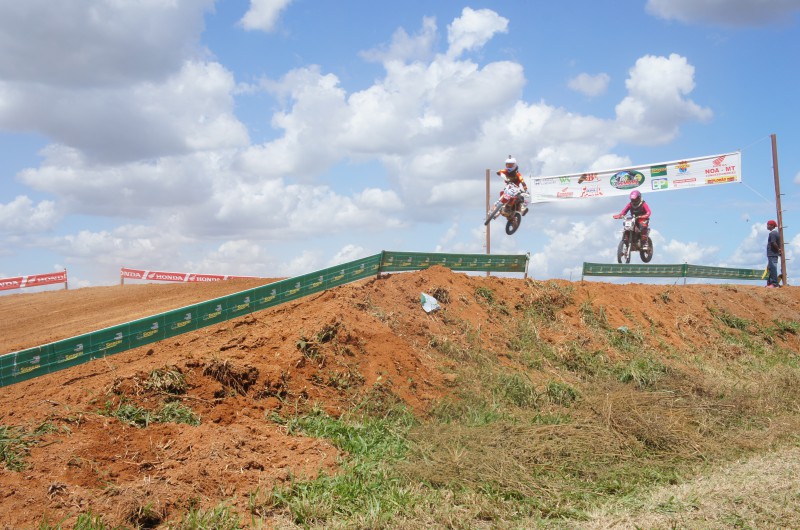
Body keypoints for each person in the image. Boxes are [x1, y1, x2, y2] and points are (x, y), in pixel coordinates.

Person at [766, 219, 782, 288]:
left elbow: (773, 243)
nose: (767, 226)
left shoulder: (772, 233)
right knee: (771, 268)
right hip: (773, 253)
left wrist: (778, 250)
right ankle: (770, 283)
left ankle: (774, 284)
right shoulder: (776, 233)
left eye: (768, 225)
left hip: (772, 253)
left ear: (772, 226)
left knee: (773, 268)